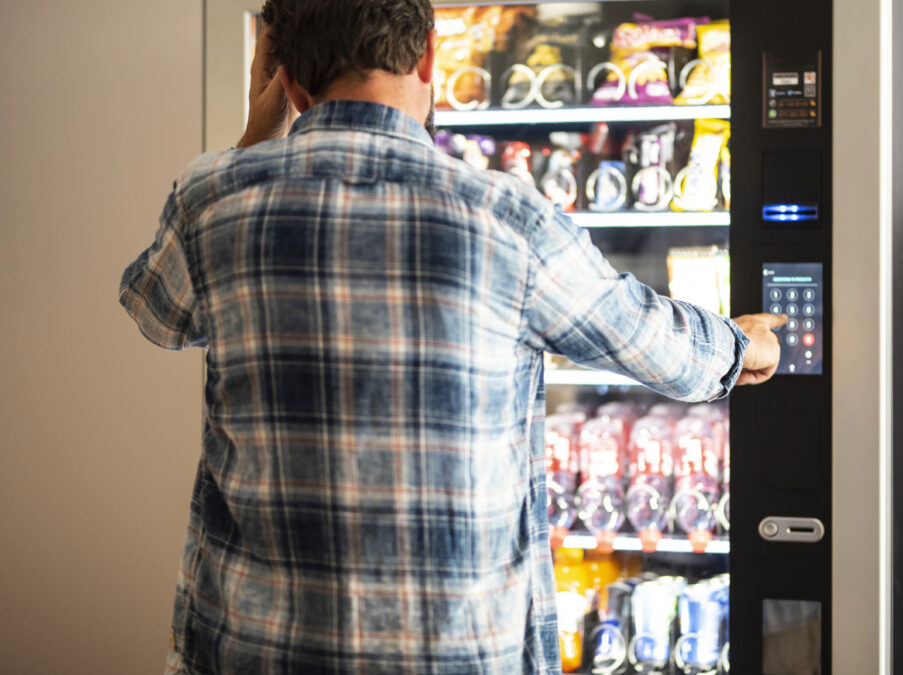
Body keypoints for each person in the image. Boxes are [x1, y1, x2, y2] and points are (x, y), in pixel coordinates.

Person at [119, 1, 784, 672]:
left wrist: (254, 143)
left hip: (255, 648)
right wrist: (741, 343)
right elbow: (649, 339)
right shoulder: (506, 216)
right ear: (431, 57)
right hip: (456, 652)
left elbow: (158, 314)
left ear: (283, 80)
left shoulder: (212, 199)